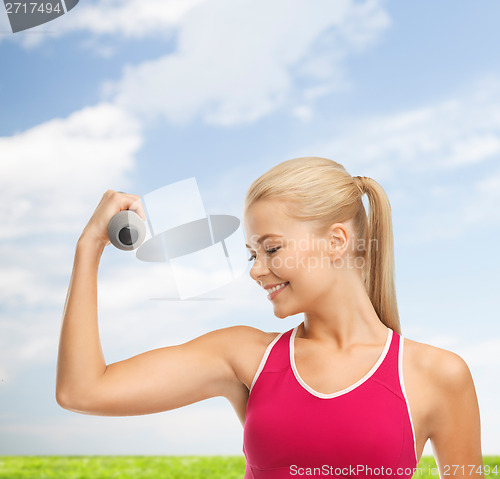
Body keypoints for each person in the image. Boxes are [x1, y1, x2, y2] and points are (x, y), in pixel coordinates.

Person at [56, 156, 484, 478]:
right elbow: (82, 391)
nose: (256, 270)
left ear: (336, 241)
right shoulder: (244, 357)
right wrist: (88, 247)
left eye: (272, 248)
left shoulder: (438, 375)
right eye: (251, 253)